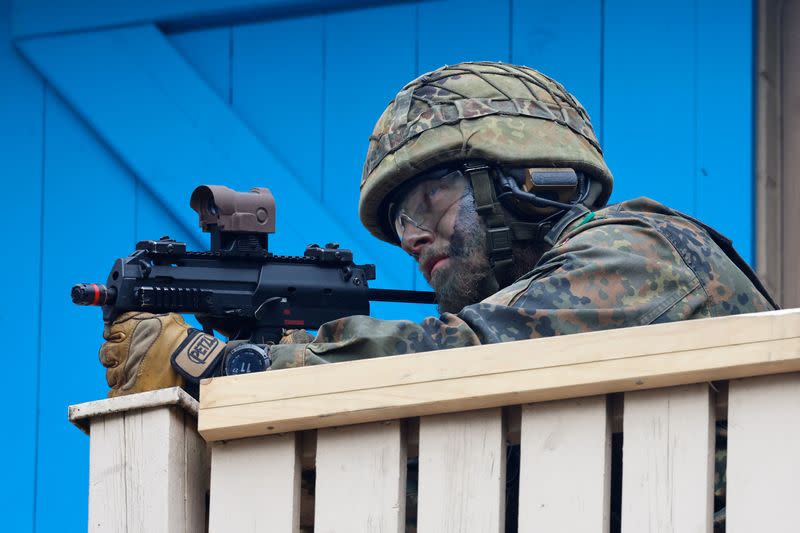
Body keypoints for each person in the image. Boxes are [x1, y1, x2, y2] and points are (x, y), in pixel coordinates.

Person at [100, 60, 776, 391]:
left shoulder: (645, 250)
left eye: (428, 206)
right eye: (399, 222)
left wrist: (224, 367)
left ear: (526, 182)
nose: (412, 238)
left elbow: (466, 351)